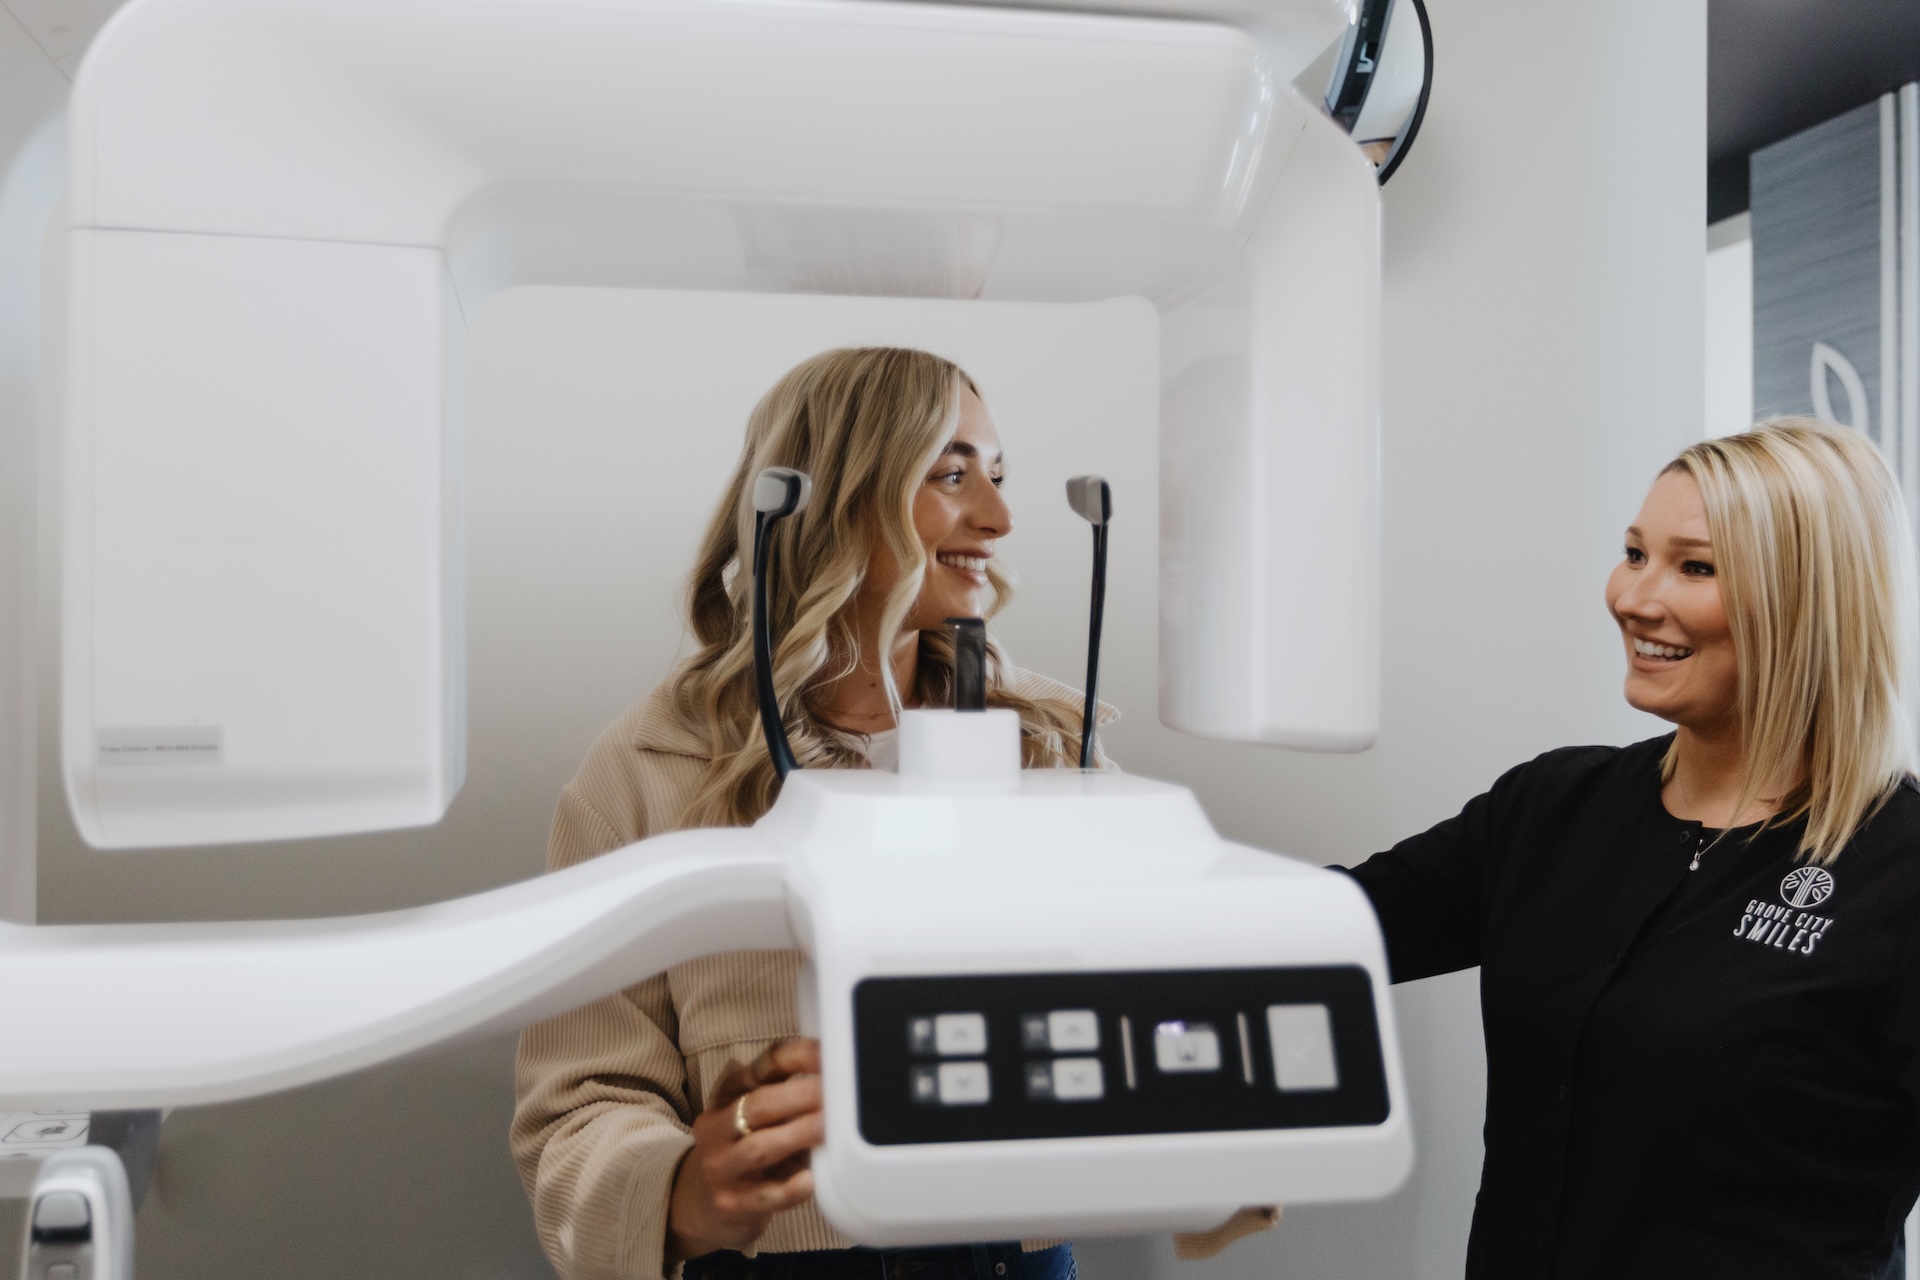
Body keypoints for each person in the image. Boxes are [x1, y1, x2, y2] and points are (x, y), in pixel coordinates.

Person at [510, 347, 1106, 1280]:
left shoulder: (1055, 749)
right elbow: (579, 1103)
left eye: (996, 474)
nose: (998, 516)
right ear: (828, 498)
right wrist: (684, 1192)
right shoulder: (643, 773)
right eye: (951, 474)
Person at [1344, 418, 1920, 1279]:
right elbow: (1323, 927)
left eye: (1695, 566)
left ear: (1806, 602)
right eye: (1633, 553)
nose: (1635, 598)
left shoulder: (1898, 870)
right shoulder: (1551, 808)